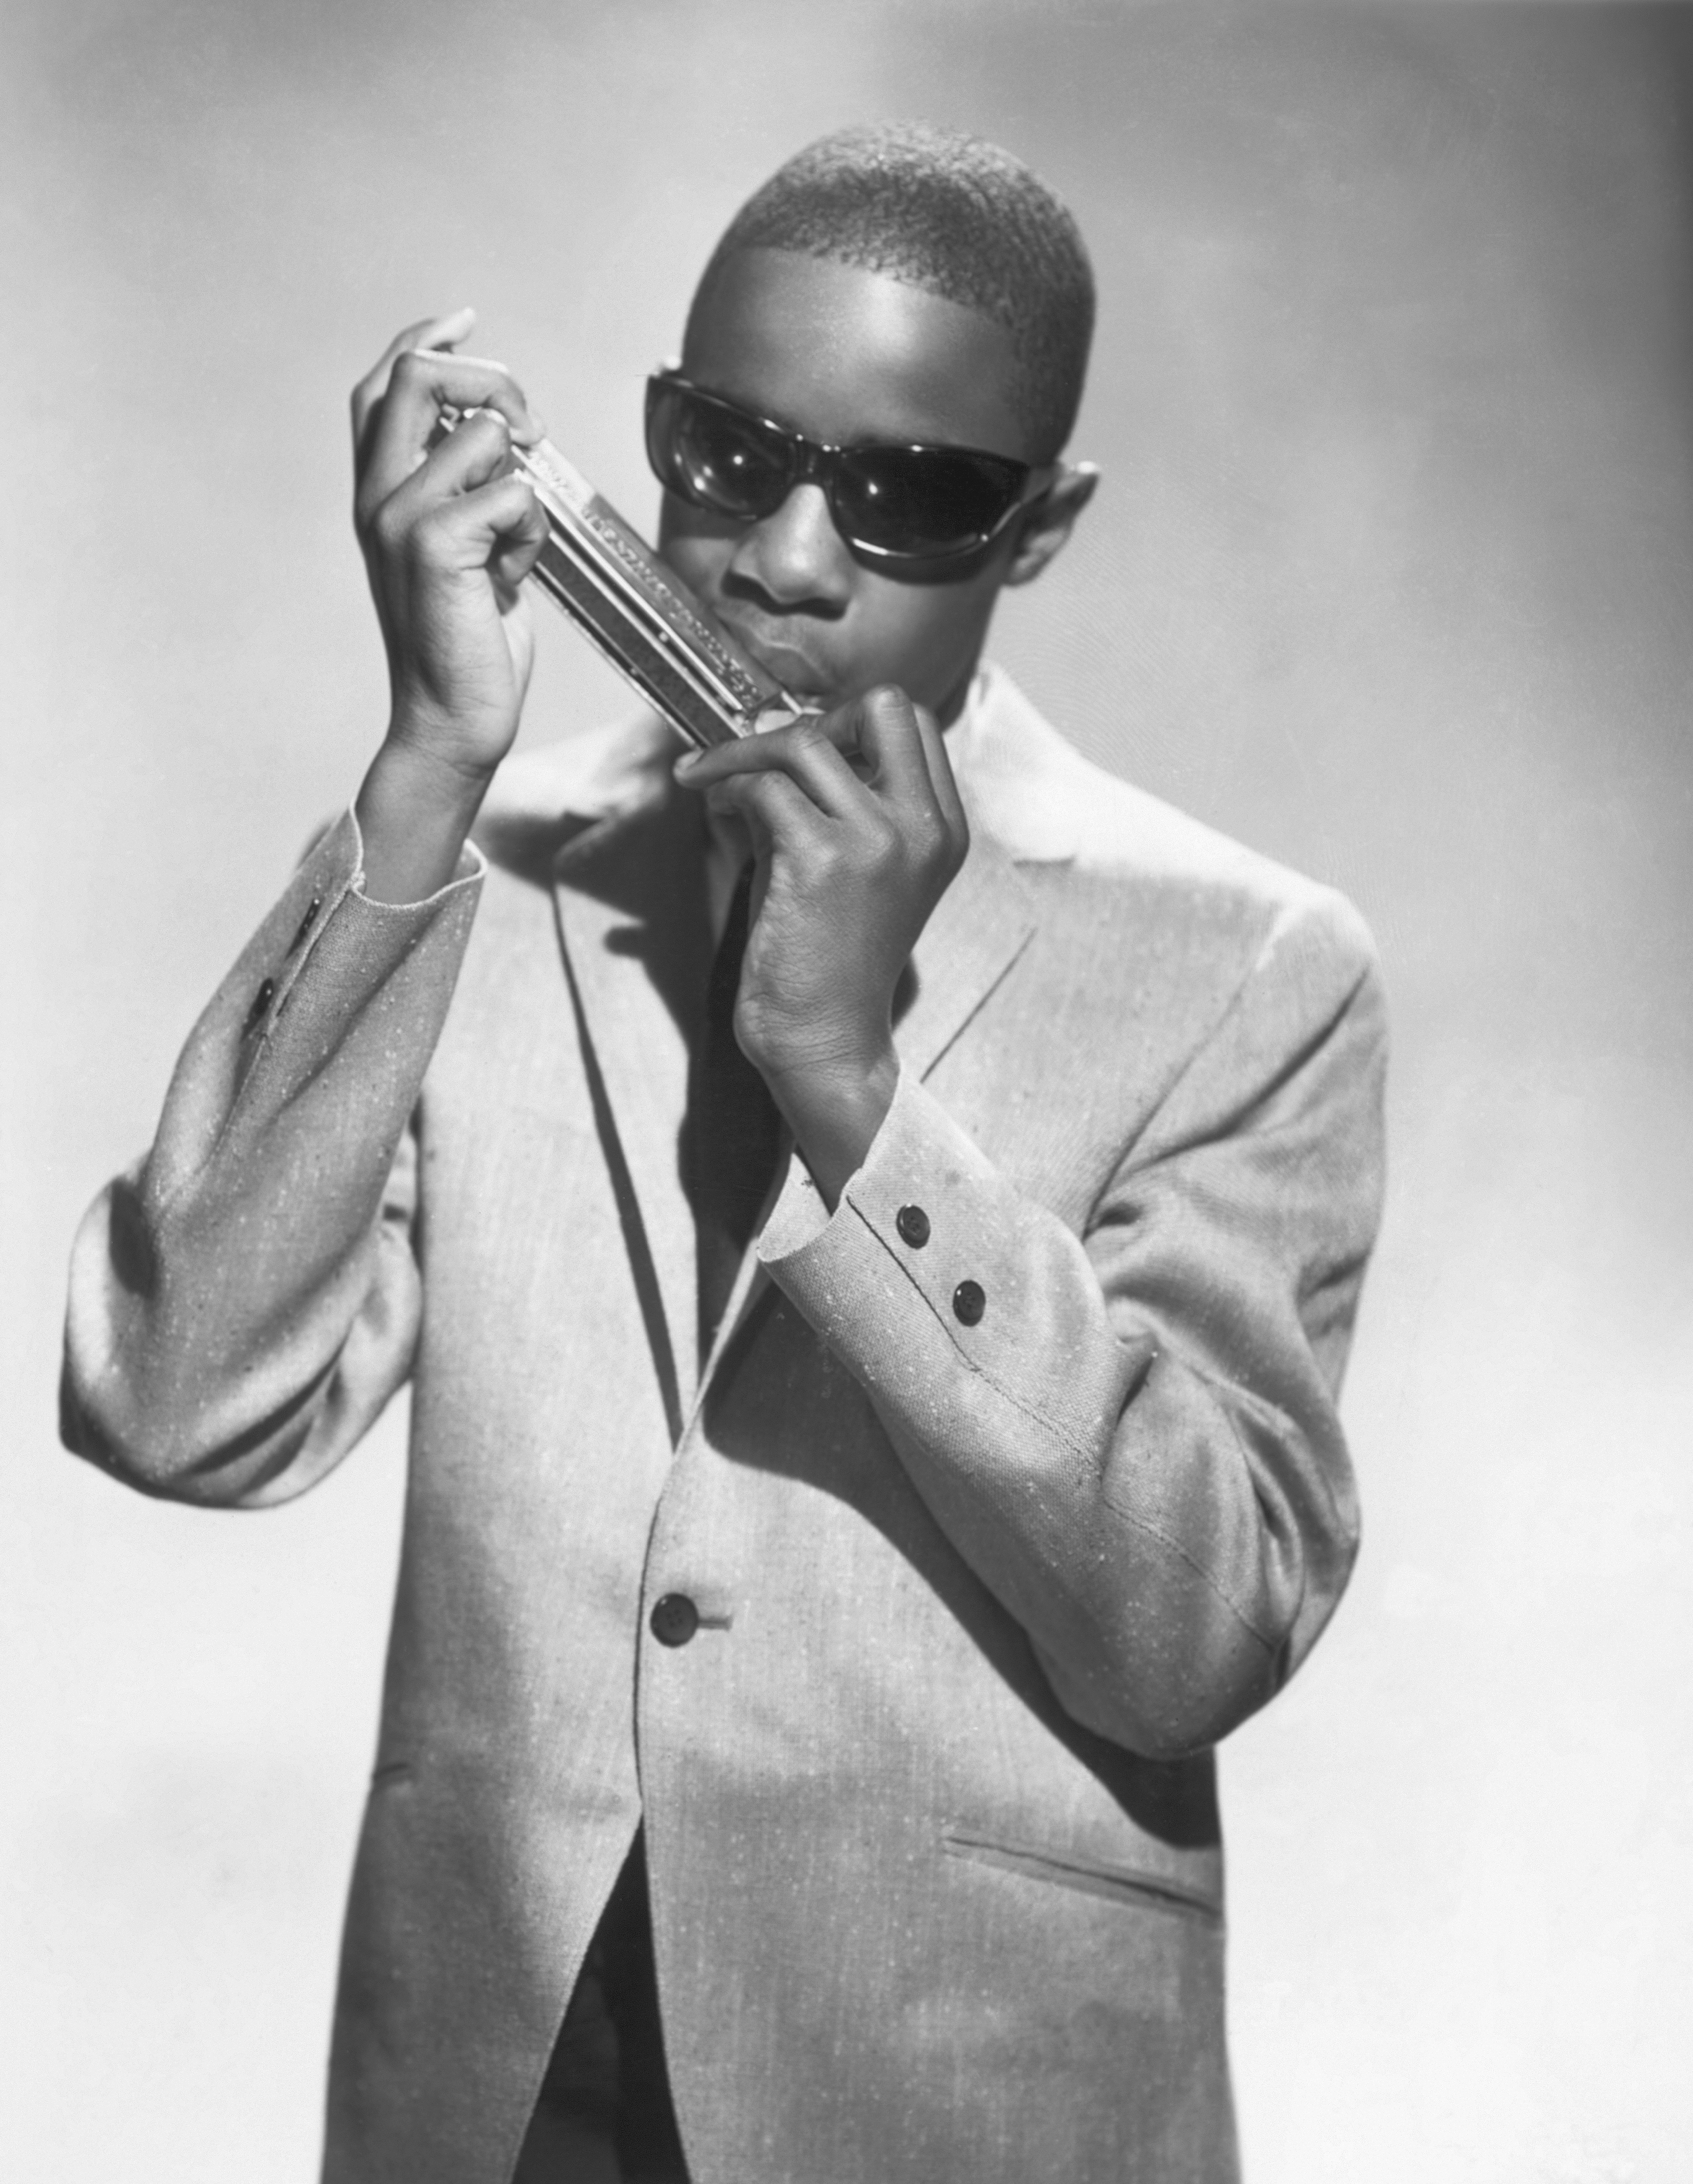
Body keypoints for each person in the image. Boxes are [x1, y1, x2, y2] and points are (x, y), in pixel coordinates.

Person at [60, 125, 1387, 2184]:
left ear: (1040, 526)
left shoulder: (1245, 963)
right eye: (724, 448)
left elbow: (1192, 1632)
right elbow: (176, 1403)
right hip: (494, 2092)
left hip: (957, 2092)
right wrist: (428, 766)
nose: (781, 557)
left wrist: (854, 1090)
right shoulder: (490, 881)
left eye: (911, 496)